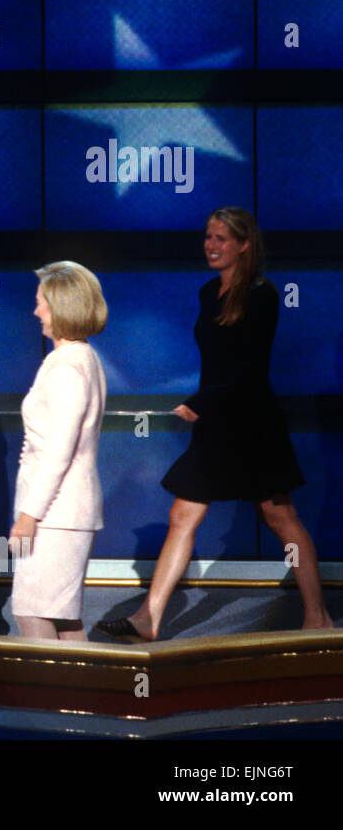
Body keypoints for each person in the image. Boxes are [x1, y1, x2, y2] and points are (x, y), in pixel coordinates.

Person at [97, 207, 331, 640]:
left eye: (221, 238)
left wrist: (199, 403)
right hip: (216, 426)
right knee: (182, 514)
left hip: (253, 423)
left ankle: (317, 615)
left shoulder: (262, 294)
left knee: (280, 518)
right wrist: (202, 404)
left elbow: (248, 368)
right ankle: (149, 617)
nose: (211, 244)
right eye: (208, 236)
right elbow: (215, 364)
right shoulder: (208, 293)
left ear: (244, 244)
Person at [10, 261, 107, 641]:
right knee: (62, 617)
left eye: (41, 303)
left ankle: (51, 696)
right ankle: (86, 697)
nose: (36, 312)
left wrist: (28, 517)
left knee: (32, 612)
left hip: (56, 514)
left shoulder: (68, 367)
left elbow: (58, 453)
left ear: (62, 305)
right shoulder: (79, 358)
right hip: (61, 511)